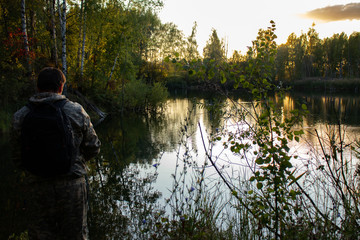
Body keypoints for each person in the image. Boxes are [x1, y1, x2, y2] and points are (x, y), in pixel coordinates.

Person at [12, 67, 101, 239]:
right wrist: (77, 161)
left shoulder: (20, 116)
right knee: (75, 235)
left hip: (37, 186)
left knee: (40, 234)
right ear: (61, 87)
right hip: (71, 185)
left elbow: (17, 157)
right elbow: (94, 146)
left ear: (38, 87)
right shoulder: (76, 111)